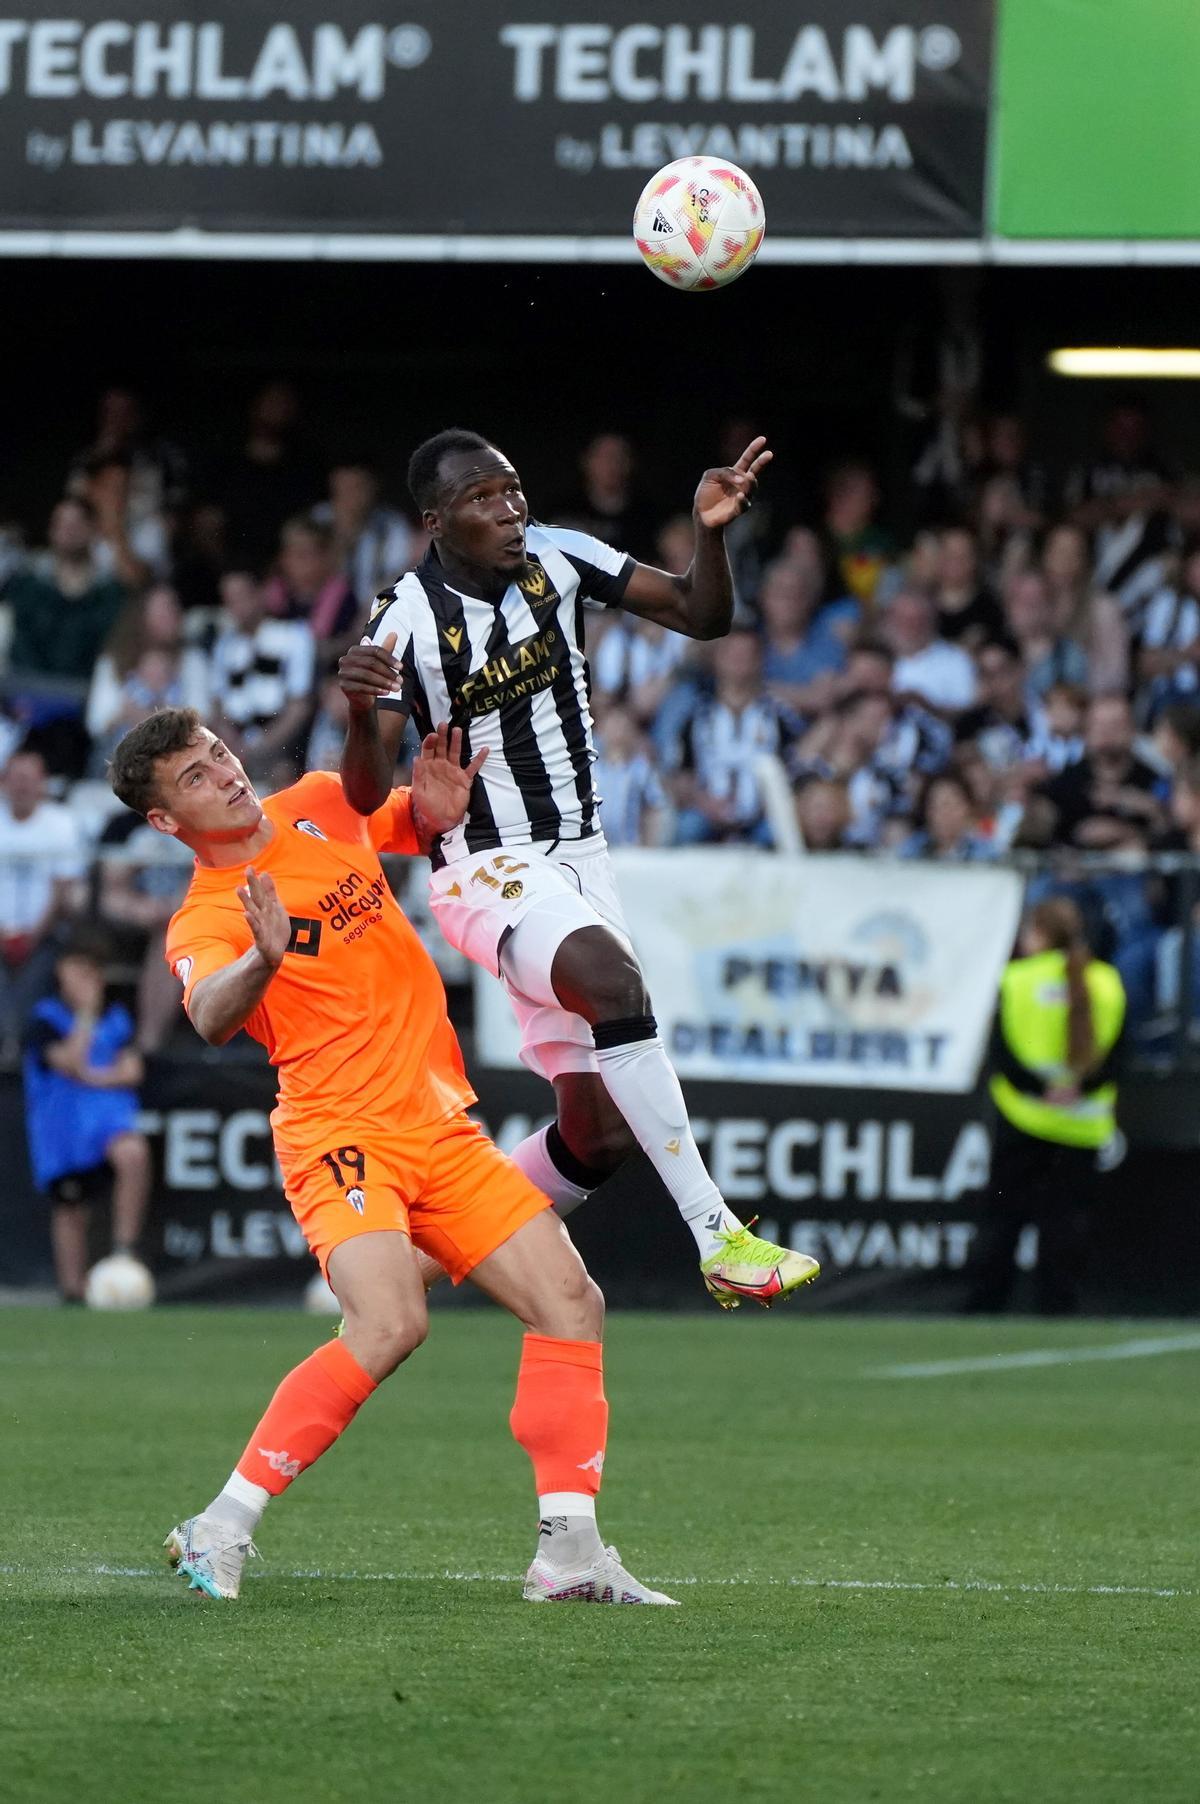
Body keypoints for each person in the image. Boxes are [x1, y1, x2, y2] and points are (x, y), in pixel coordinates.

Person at [110, 706, 675, 1608]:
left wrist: (436, 807)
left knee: (572, 1303)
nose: (222, 773)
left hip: (436, 1124)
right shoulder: (206, 915)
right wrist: (261, 960)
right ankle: (219, 1527)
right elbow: (212, 1012)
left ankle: (568, 1554)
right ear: (165, 824)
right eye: (193, 777)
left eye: (217, 754)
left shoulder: (321, 802)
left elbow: (414, 820)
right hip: (339, 1132)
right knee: (389, 1324)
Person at [339, 427, 818, 1308]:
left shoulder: (560, 557)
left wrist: (710, 534)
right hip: (484, 865)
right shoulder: (404, 617)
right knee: (612, 982)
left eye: (513, 488)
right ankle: (720, 1235)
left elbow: (701, 616)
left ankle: (413, 1262)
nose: (511, 509)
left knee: (596, 1136)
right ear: (437, 520)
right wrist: (358, 709)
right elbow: (366, 793)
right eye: (484, 498)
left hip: (581, 860)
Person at [968, 898, 1125, 1313]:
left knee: (1003, 1218)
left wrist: (1040, 1089)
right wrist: (1080, 1088)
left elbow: (1001, 1054)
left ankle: (986, 1306)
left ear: (1038, 934)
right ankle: (1058, 1308)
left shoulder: (1017, 979)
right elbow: (1119, 1057)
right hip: (1082, 1125)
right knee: (1067, 1224)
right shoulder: (1106, 981)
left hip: (1023, 1119)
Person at [22, 935, 151, 1303]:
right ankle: (74, 1292)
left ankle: (124, 1251)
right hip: (64, 1133)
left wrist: (96, 1077)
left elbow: (132, 1070)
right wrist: (85, 1014)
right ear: (62, 972)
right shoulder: (45, 1020)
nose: (87, 979)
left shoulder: (117, 1015)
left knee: (133, 1154)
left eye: (92, 971)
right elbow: (70, 1062)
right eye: (79, 970)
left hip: (109, 1120)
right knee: (71, 1211)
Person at [0, 750, 85, 1059]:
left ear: (42, 784)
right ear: (3, 783)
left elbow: (62, 889)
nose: (22, 787)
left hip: (45, 931)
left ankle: (18, 1047)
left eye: (29, 780)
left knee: (35, 976)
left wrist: (30, 937)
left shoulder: (60, 823)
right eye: (15, 779)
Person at [209, 569, 316, 788]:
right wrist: (235, 748)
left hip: (282, 754)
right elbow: (218, 707)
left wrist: (261, 749)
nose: (236, 606)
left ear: (260, 594)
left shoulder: (295, 635)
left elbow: (300, 707)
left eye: (241, 597)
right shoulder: (223, 645)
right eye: (229, 600)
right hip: (236, 755)